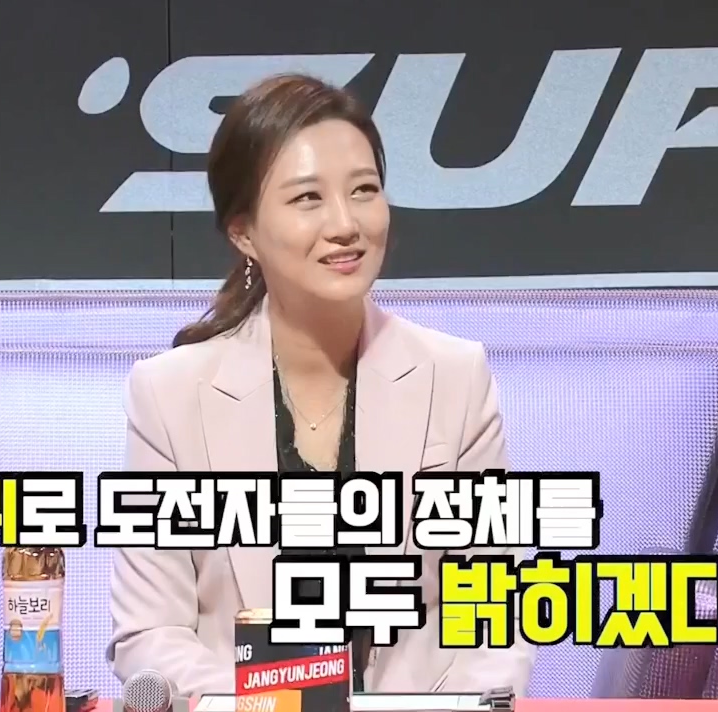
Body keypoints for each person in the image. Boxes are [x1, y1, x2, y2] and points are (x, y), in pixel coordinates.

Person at [107, 74, 533, 698]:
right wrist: (270, 706)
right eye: (308, 198)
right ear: (244, 232)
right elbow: (151, 632)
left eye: (364, 190)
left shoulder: (455, 377)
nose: (345, 223)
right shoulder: (169, 395)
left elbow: (494, 611)